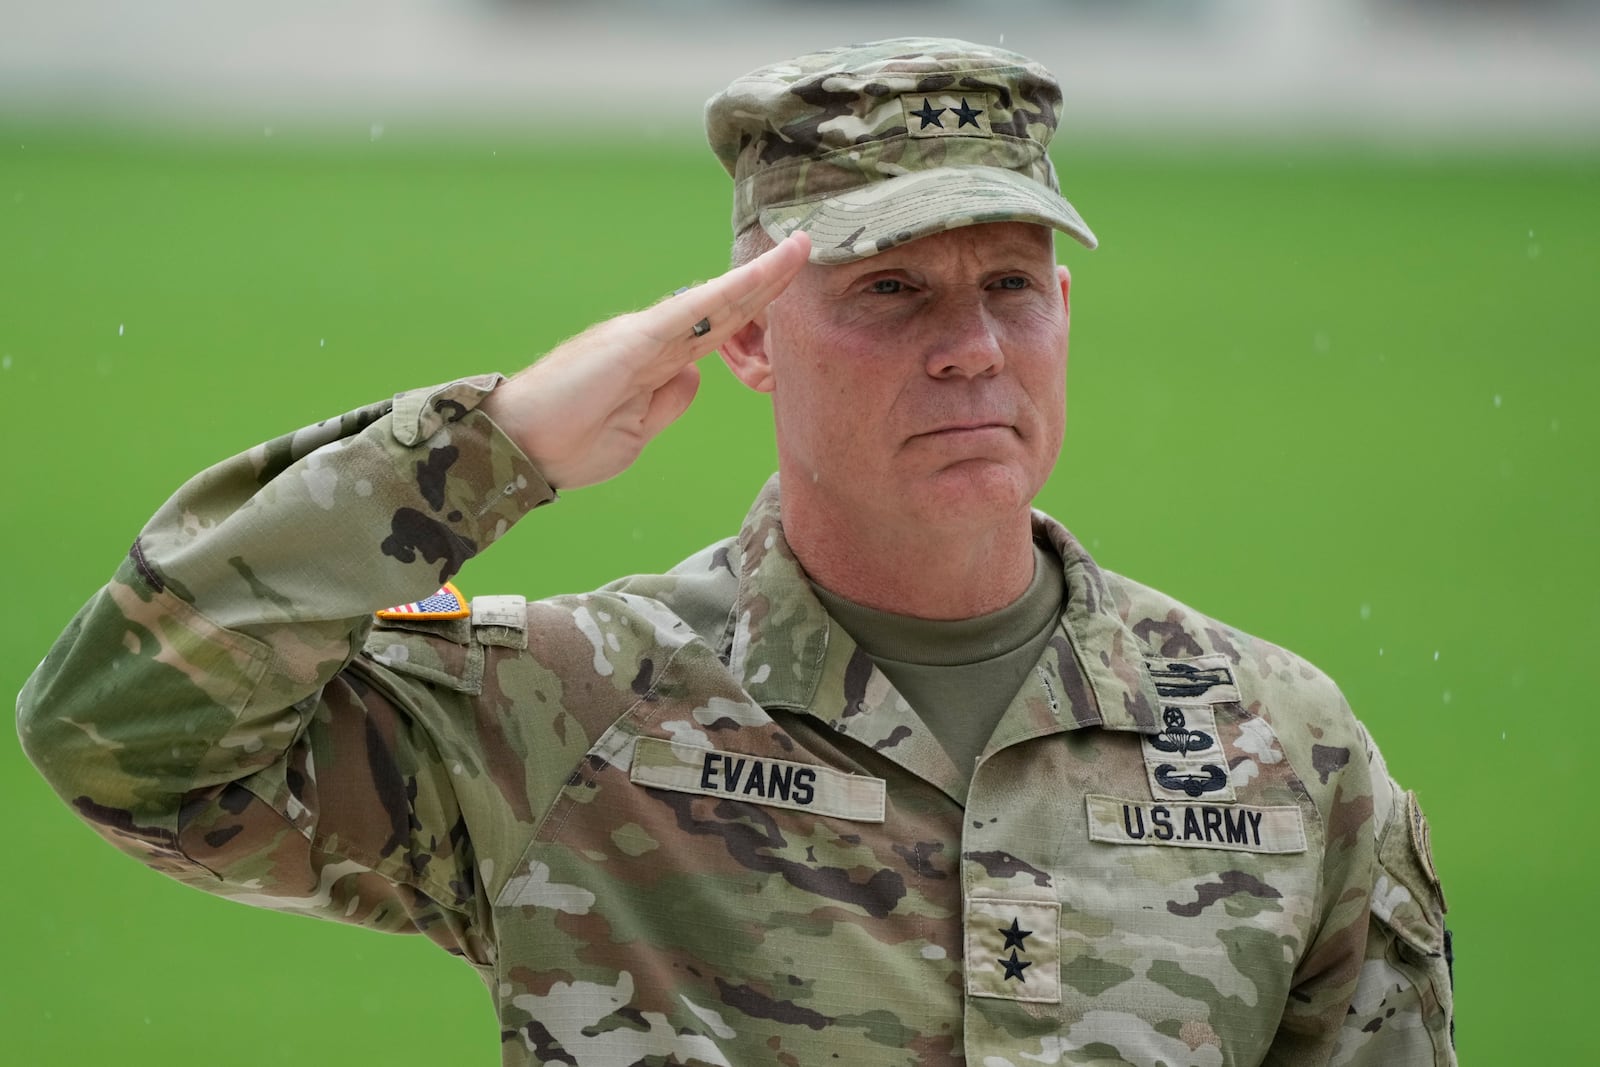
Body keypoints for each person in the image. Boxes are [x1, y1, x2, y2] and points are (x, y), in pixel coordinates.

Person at [17, 37, 1453, 1067]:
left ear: (1064, 311)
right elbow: (121, 739)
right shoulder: (575, 710)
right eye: (892, 289)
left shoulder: (1282, 749)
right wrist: (492, 443)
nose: (972, 351)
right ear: (751, 338)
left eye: (1011, 287)